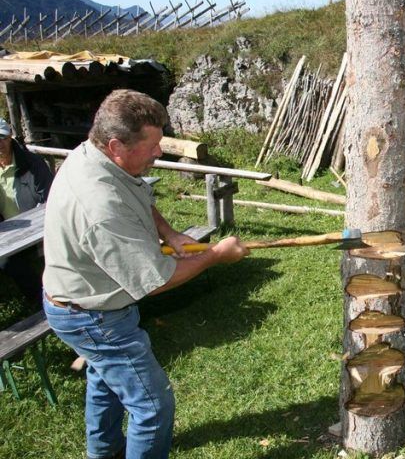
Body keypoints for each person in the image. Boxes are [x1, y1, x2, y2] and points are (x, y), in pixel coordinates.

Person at [42, 90, 251, 459]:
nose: (159, 152)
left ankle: (103, 453)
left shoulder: (99, 158)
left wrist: (169, 234)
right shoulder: (99, 204)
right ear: (116, 144)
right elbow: (156, 280)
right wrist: (216, 255)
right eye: (152, 145)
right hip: (93, 316)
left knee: (105, 380)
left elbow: (139, 199)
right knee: (153, 408)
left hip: (84, 301)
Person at [0, 117, 54, 302]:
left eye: (2, 138)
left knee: (9, 261)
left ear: (10, 138)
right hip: (6, 232)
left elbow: (49, 197)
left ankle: (42, 301)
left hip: (37, 231)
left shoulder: (32, 162)